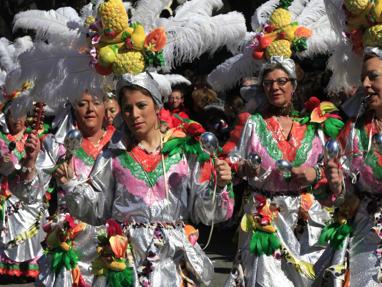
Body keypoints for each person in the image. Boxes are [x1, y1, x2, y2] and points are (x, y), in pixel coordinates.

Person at [54, 72, 234, 287]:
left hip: (172, 260)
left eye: (141, 105)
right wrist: (71, 185)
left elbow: (203, 211)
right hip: (125, 259)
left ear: (157, 106)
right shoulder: (113, 154)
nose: (134, 114)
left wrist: (219, 186)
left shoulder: (184, 151)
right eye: (127, 108)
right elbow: (98, 210)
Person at [223, 57, 335, 286]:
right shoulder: (254, 124)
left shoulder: (314, 125)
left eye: (281, 81)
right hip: (264, 217)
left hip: (305, 220)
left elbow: (332, 167)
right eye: (268, 83)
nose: (275, 87)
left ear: (293, 85)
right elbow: (233, 161)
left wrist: (315, 173)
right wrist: (244, 167)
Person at [36, 90, 115, 286]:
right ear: (73, 108)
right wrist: (30, 162)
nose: (89, 109)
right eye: (82, 104)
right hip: (71, 240)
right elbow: (34, 190)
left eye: (95, 103)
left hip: (111, 239)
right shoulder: (57, 146)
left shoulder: (119, 144)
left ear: (105, 107)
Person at [322, 47, 382, 286]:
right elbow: (343, 188)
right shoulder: (355, 130)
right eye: (363, 79)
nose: (365, 84)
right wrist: (338, 186)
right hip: (365, 234)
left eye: (374, 76)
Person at [0, 107, 48, 279]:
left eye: (21, 114)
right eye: (13, 115)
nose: (17, 120)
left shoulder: (34, 137)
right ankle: (10, 266)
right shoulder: (0, 139)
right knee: (10, 229)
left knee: (32, 228)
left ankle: (31, 266)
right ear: (6, 117)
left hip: (30, 189)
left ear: (27, 116)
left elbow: (43, 161)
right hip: (8, 191)